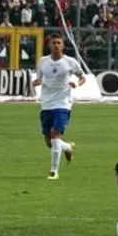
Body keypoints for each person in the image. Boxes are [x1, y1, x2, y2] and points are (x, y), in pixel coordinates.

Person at [32, 34, 84, 179]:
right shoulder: (43, 61)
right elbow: (40, 78)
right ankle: (67, 147)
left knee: (55, 134)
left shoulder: (70, 62)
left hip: (63, 103)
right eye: (53, 42)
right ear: (49, 45)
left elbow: (82, 77)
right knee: (50, 142)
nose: (56, 45)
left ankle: (54, 171)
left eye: (58, 43)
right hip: (46, 103)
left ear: (63, 45)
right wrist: (37, 82)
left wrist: (76, 83)